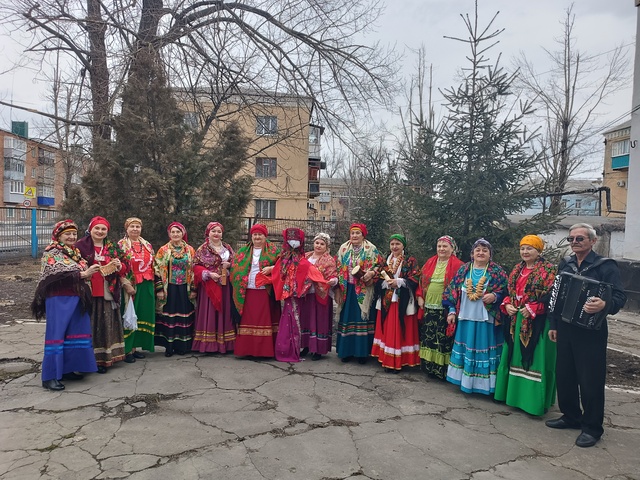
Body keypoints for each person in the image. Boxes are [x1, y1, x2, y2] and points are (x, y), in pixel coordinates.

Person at [545, 223, 627, 448]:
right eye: (571, 239)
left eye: (579, 239)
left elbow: (620, 297)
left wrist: (604, 304)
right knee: (565, 375)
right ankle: (571, 416)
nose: (574, 243)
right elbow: (556, 296)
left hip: (591, 331)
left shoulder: (605, 266)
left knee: (590, 380)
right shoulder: (566, 263)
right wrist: (553, 324)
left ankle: (592, 428)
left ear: (592, 241)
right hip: (565, 327)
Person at [31, 219, 100, 391]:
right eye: (67, 234)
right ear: (58, 236)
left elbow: (75, 271)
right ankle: (50, 376)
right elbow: (55, 276)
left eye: (74, 234)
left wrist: (87, 274)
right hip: (59, 299)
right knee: (57, 335)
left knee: (75, 333)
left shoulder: (74, 252)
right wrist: (83, 274)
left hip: (76, 297)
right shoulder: (52, 252)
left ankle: (68, 369)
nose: (71, 237)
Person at [494, 235, 557, 416]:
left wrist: (534, 308)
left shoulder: (548, 270)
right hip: (516, 320)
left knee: (535, 360)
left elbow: (553, 296)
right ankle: (514, 398)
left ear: (539, 250)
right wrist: (507, 304)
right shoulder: (516, 269)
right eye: (522, 248)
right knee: (514, 357)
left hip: (536, 322)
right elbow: (508, 291)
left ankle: (532, 402)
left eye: (530, 248)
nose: (525, 252)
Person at [443, 238, 507, 395]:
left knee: (483, 347)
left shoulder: (496, 272)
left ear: (490, 254)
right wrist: (451, 311)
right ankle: (464, 381)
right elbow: (452, 291)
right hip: (465, 319)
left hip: (486, 320)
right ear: (472, 254)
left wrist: (495, 296)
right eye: (478, 250)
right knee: (466, 347)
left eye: (485, 250)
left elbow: (506, 291)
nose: (481, 253)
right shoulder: (464, 270)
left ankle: (485, 386)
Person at [76, 216, 129, 373]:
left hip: (108, 291)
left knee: (106, 324)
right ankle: (91, 359)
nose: (100, 231)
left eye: (103, 229)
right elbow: (73, 266)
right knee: (91, 325)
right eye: (96, 228)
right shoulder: (80, 246)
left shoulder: (112, 247)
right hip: (88, 292)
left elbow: (126, 267)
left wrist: (120, 265)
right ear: (90, 229)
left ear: (107, 231)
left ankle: (107, 358)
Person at [271, 228, 327, 362]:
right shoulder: (284, 257)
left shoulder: (302, 259)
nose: (293, 242)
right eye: (291, 240)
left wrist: (323, 282)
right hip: (290, 295)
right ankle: (287, 349)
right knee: (291, 320)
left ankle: (292, 348)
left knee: (296, 320)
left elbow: (309, 271)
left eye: (296, 240)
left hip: (298, 294)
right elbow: (278, 272)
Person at [335, 223, 384, 364]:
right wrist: (337, 286)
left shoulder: (371, 249)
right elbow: (337, 266)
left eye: (358, 233)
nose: (354, 236)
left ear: (363, 235)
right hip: (347, 289)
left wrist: (371, 273)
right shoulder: (343, 248)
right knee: (347, 319)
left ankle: (362, 353)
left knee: (362, 319)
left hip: (364, 290)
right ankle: (346, 352)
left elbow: (379, 265)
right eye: (352, 233)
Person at [371, 234, 421, 372]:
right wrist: (385, 284)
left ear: (403, 245)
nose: (394, 247)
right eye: (392, 244)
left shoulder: (410, 261)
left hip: (401, 300)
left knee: (400, 328)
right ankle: (388, 359)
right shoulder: (384, 261)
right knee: (388, 329)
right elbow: (376, 278)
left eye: (397, 244)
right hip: (387, 299)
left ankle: (400, 360)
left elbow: (416, 276)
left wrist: (399, 282)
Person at [416, 235, 464, 379]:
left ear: (452, 248)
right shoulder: (430, 262)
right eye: (439, 246)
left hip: (446, 308)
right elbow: (421, 281)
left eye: (445, 246)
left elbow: (459, 288)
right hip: (429, 305)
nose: (441, 249)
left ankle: (442, 370)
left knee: (443, 338)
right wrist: (419, 297)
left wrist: (453, 307)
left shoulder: (458, 265)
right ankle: (429, 367)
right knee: (429, 336)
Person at [230, 223, 281, 357]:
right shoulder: (242, 251)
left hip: (265, 291)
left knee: (263, 319)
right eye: (255, 235)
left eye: (260, 234)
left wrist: (272, 268)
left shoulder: (274, 250)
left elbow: (284, 266)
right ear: (251, 236)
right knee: (248, 319)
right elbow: (235, 269)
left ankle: (264, 351)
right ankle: (246, 350)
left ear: (265, 236)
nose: (257, 237)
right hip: (247, 291)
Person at [154, 222, 197, 357]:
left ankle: (183, 346)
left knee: (184, 316)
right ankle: (169, 346)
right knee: (170, 316)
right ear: (169, 234)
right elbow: (156, 269)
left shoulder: (190, 250)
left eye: (178, 232)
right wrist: (160, 289)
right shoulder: (163, 250)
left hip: (185, 288)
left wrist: (194, 288)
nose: (175, 234)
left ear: (183, 233)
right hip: (170, 289)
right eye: (173, 232)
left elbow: (195, 270)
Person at [192, 222, 235, 354]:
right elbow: (195, 266)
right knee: (209, 312)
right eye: (213, 231)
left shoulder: (228, 248)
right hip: (209, 286)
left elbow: (237, 262)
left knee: (224, 312)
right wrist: (209, 274)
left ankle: (226, 344)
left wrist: (229, 265)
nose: (216, 234)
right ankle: (208, 345)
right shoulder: (202, 249)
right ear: (208, 233)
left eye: (219, 231)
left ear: (222, 234)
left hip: (225, 285)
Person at [118, 217, 155, 362]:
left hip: (147, 283)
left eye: (137, 226)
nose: (135, 229)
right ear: (126, 229)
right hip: (132, 284)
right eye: (132, 226)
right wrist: (125, 283)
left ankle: (136, 347)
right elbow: (118, 266)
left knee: (142, 314)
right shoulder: (121, 245)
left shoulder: (147, 245)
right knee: (129, 315)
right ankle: (127, 349)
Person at [301, 233, 338, 360]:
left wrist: (333, 281)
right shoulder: (305, 256)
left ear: (326, 246)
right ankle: (306, 345)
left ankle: (318, 349)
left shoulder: (329, 260)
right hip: (306, 294)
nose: (319, 246)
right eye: (317, 243)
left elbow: (333, 275)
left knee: (319, 320)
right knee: (306, 319)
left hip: (321, 294)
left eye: (322, 244)